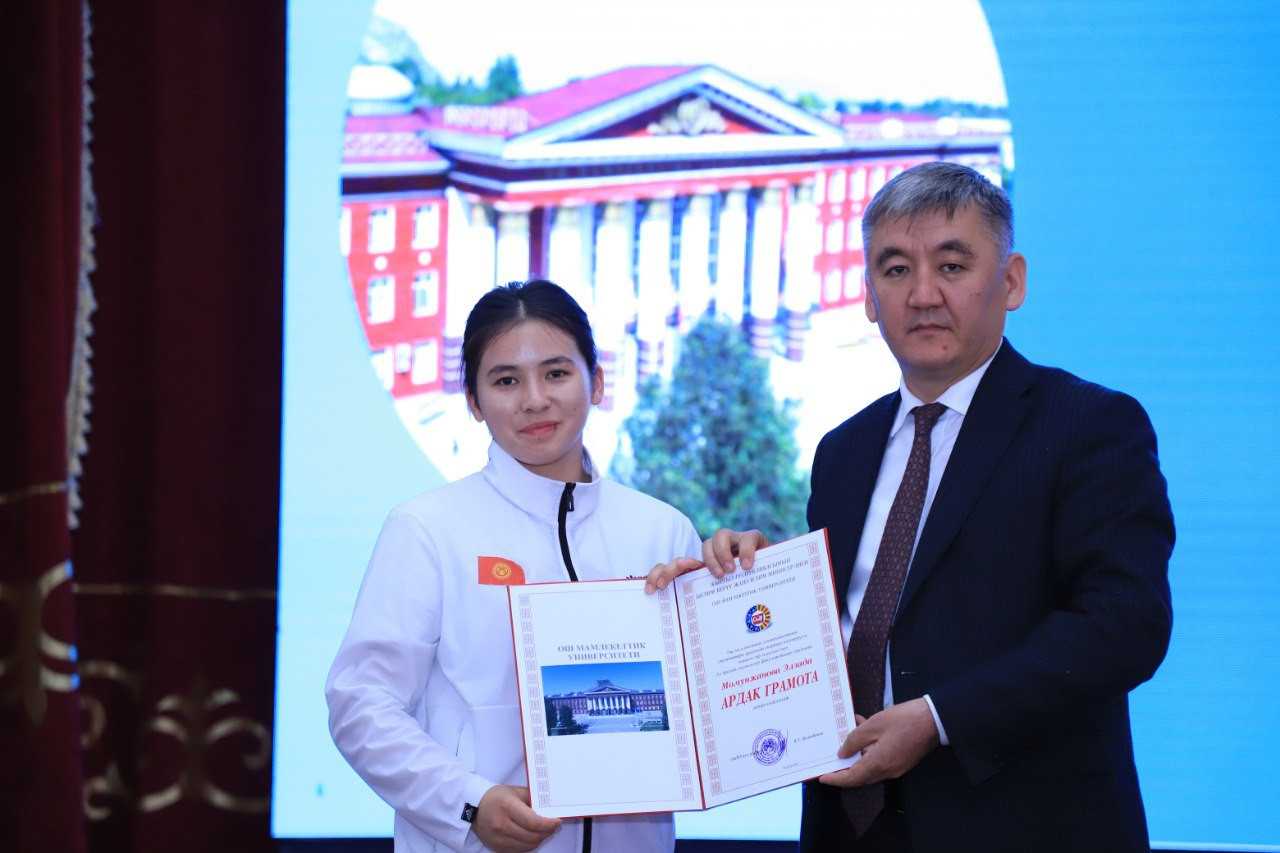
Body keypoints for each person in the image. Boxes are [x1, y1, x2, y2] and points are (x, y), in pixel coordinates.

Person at [647, 162, 1174, 852]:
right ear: (870, 297)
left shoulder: (1089, 425)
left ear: (1011, 281)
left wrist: (937, 718)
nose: (923, 294)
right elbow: (844, 625)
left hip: (1021, 826)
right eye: (895, 270)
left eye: (952, 266)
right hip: (848, 828)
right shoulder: (843, 450)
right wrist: (748, 586)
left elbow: (1124, 625)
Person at [328, 279, 702, 853]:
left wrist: (739, 583)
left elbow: (707, 712)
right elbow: (360, 704)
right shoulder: (428, 528)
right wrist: (469, 802)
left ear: (597, 381)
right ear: (474, 402)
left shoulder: (662, 530)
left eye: (556, 373)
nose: (534, 399)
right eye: (506, 380)